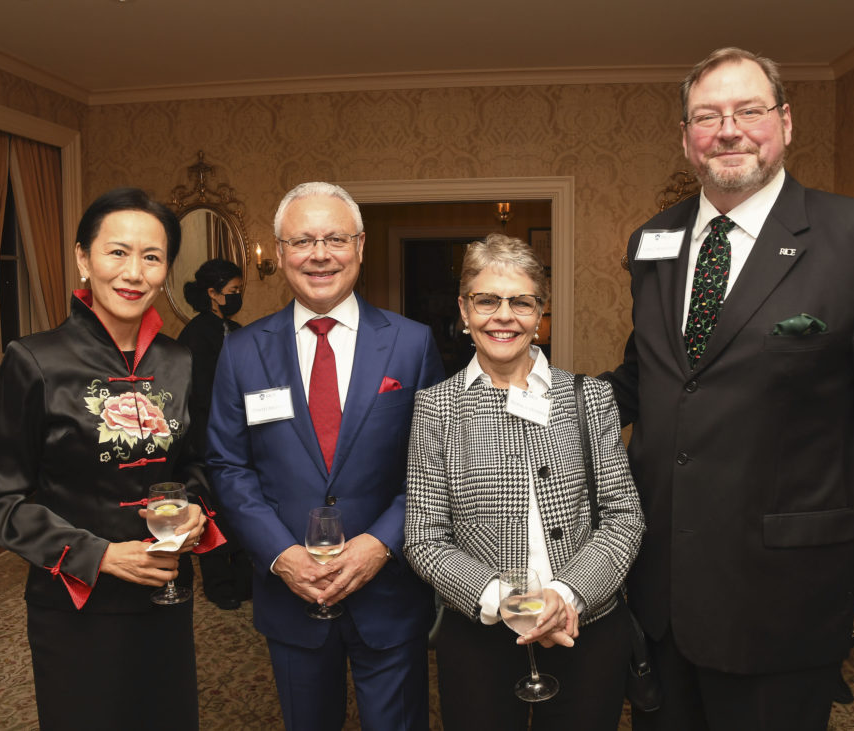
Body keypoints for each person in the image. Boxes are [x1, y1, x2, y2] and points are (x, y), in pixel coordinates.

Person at [600, 47, 854, 730]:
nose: (728, 129)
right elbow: (648, 378)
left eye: (748, 110)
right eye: (707, 116)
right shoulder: (653, 241)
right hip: (660, 582)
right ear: (686, 137)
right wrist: (520, 395)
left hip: (785, 591)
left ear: (785, 122)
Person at [0, 187, 224, 730]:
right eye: (117, 252)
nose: (134, 272)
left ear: (165, 271)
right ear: (83, 257)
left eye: (151, 257)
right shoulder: (34, 360)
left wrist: (196, 508)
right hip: (75, 603)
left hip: (165, 593)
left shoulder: (180, 362)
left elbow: (196, 465)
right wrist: (102, 556)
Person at [207, 181, 446, 730]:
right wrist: (280, 555)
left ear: (360, 247)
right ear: (281, 253)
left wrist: (380, 543)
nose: (319, 254)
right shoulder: (241, 350)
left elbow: (432, 464)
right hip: (290, 592)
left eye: (335, 238)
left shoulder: (411, 343)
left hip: (387, 590)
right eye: (302, 241)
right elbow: (227, 464)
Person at [405, 233, 644, 729]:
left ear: (540, 313)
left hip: (585, 631)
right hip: (479, 641)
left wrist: (568, 594)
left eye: (522, 302)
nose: (504, 316)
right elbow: (424, 539)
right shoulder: (435, 409)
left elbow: (624, 518)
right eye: (487, 300)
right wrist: (511, 603)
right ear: (464, 310)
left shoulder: (590, 398)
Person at [178, 258, 253, 610]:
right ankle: (217, 582)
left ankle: (242, 576)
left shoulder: (236, 329)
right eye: (232, 292)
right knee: (210, 510)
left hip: (241, 433)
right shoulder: (195, 334)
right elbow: (199, 394)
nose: (237, 297)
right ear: (212, 293)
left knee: (239, 505)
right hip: (207, 437)